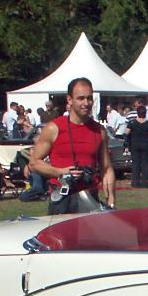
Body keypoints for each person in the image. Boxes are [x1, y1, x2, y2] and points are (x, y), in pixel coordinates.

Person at [27, 76, 115, 214]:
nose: (86, 103)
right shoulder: (53, 128)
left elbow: (107, 168)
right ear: (69, 100)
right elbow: (34, 163)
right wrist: (61, 172)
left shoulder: (99, 131)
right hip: (61, 199)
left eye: (89, 98)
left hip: (90, 197)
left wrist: (111, 200)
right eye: (81, 98)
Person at [125, 103, 148, 189]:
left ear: (137, 113)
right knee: (145, 164)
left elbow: (126, 132)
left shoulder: (132, 122)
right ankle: (145, 183)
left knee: (135, 164)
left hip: (134, 145)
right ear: (145, 113)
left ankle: (135, 182)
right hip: (146, 146)